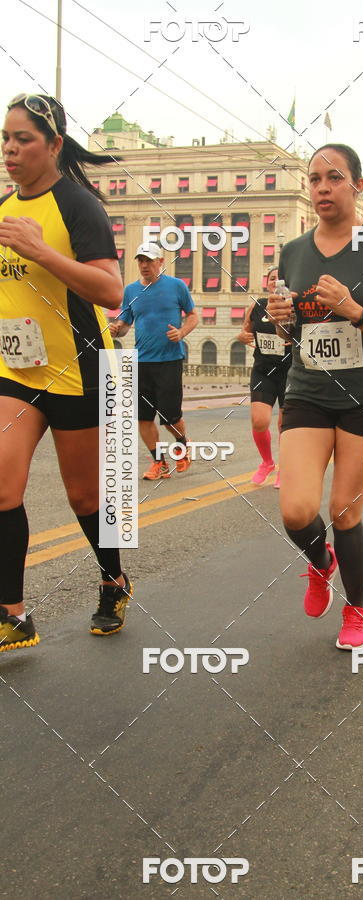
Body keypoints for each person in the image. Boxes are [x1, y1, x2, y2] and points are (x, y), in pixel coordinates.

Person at [268, 143, 363, 650]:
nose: (322, 188)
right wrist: (283, 320)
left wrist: (354, 310)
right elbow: (293, 333)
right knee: (295, 510)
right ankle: (320, 562)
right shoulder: (292, 252)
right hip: (308, 389)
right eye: (314, 179)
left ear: (358, 185)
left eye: (334, 178)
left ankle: (356, 609)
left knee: (344, 512)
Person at [0, 92, 132, 651]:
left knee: (85, 497)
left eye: (22, 139)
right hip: (18, 373)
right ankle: (13, 615)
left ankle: (114, 579)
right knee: (2, 487)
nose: (9, 149)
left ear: (53, 145)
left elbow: (109, 290)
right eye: (5, 139)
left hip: (79, 370)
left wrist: (41, 251)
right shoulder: (4, 208)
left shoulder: (78, 206)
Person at [109, 243, 198, 480]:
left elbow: (193, 316)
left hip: (170, 359)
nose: (144, 265)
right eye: (140, 261)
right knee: (143, 417)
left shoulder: (176, 286)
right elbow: (125, 325)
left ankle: (182, 444)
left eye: (149, 260)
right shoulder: (130, 291)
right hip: (142, 362)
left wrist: (181, 333)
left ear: (161, 261)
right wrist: (117, 329)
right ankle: (159, 463)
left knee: (170, 417)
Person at [237, 266, 292, 488]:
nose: (275, 281)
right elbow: (244, 332)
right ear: (267, 283)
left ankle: (284, 470)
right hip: (263, 369)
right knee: (259, 421)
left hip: (289, 371)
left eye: (280, 278)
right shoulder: (256, 306)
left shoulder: (292, 306)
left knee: (284, 425)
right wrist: (242, 336)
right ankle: (267, 463)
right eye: (272, 278)